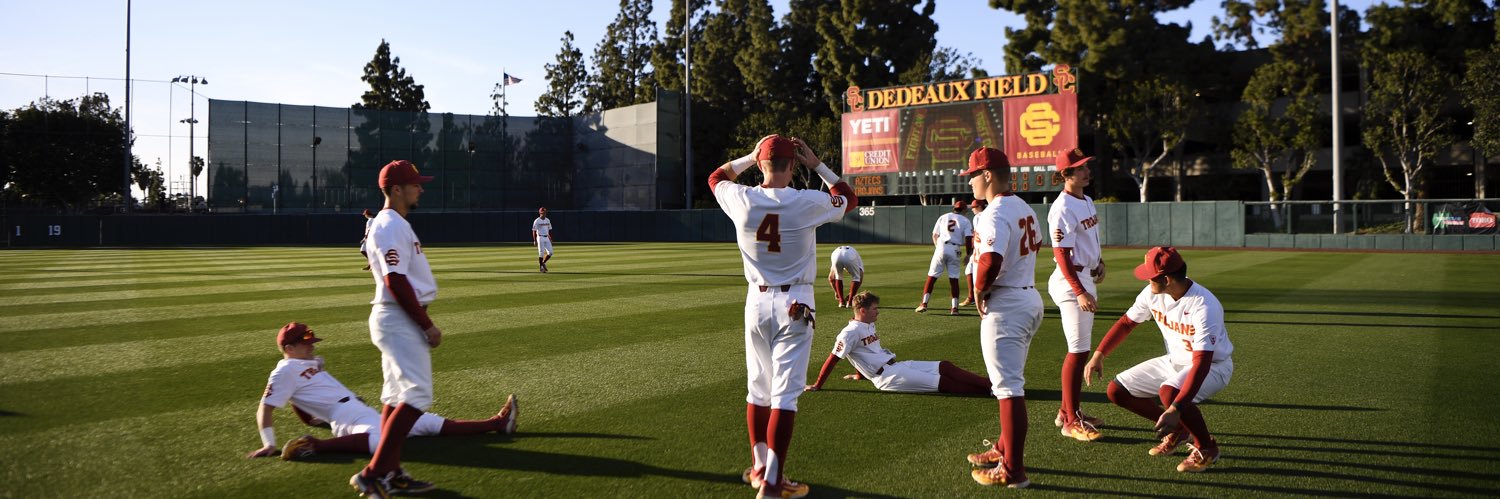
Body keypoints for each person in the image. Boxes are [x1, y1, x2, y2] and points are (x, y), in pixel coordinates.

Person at [709, 134, 856, 499]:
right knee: (784, 397)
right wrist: (817, 164)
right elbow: (849, 198)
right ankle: (773, 485)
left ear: (761, 163)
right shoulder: (806, 200)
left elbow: (715, 177)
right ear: (792, 165)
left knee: (758, 389)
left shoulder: (741, 198)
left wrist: (749, 154)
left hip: (756, 304)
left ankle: (760, 469)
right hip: (796, 302)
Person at [246, 322, 517, 461]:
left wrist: (312, 418)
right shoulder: (283, 371)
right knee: (380, 441)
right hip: (347, 417)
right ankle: (315, 446)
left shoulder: (310, 362)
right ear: (289, 349)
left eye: (311, 342)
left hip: (358, 409)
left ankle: (496, 423)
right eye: (305, 344)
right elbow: (266, 406)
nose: (312, 347)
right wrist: (269, 443)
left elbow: (303, 398)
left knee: (426, 421)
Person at [1084, 246, 1234, 473]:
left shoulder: (1204, 305)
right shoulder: (1152, 293)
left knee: (1169, 393)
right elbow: (1127, 323)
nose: (1146, 280)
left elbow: (1202, 362)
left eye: (1149, 276)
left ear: (1166, 279)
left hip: (1214, 367)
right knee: (1117, 390)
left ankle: (1206, 447)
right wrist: (1099, 354)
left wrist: (1176, 407)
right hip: (1174, 360)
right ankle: (1179, 430)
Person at [352, 159, 445, 497]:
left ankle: (389, 472)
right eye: (415, 183)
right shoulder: (389, 223)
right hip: (399, 316)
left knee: (396, 396)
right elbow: (394, 279)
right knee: (418, 395)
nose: (421, 187)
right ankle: (373, 473)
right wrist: (426, 324)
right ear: (396, 189)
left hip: (394, 315)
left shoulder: (395, 223)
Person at [961, 147, 1043, 489]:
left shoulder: (994, 213)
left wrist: (979, 290)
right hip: (1028, 297)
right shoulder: (1024, 207)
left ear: (988, 175)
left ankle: (1013, 471)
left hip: (1007, 303)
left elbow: (991, 260)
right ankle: (1002, 448)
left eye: (973, 176)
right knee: (1011, 383)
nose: (971, 183)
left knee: (1008, 390)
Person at [805, 292, 990, 395]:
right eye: (874, 309)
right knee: (944, 383)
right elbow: (834, 358)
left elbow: (865, 352)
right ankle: (991, 393)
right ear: (862, 310)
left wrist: (859, 375)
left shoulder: (868, 324)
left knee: (945, 366)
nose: (877, 312)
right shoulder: (849, 333)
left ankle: (990, 385)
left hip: (897, 366)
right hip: (887, 378)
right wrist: (817, 384)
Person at [1047, 149, 1107, 442]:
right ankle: (1071, 421)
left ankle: (1066, 411)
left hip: (1085, 275)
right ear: (1065, 175)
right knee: (1079, 349)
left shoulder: (1087, 200)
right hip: (1070, 281)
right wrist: (1080, 290)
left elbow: (1090, 239)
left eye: (1085, 165)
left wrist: (1100, 262)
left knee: (1081, 348)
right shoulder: (1061, 208)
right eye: (1079, 168)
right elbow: (1061, 255)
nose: (1086, 171)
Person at [917, 200, 972, 316]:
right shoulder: (966, 221)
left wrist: (938, 248)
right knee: (954, 279)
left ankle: (924, 304)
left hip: (941, 246)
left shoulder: (943, 217)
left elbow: (934, 235)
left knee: (932, 276)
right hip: (955, 249)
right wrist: (968, 254)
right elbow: (968, 239)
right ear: (963, 210)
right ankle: (954, 308)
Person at [959, 199, 987, 307]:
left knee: (971, 270)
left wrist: (971, 252)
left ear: (979, 207)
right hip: (989, 246)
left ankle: (974, 298)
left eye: (974, 208)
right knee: (971, 270)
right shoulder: (990, 214)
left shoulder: (978, 217)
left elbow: (977, 235)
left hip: (981, 248)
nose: (972, 210)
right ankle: (973, 297)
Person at [533, 207, 554, 273]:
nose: (544, 214)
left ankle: (543, 263)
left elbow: (550, 229)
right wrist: (535, 240)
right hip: (540, 237)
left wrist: (550, 237)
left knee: (550, 252)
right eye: (542, 213)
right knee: (541, 253)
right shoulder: (537, 220)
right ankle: (541, 267)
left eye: (545, 212)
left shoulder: (547, 220)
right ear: (540, 213)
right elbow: (534, 230)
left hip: (546, 237)